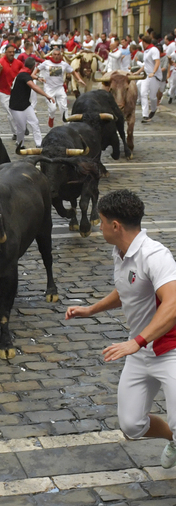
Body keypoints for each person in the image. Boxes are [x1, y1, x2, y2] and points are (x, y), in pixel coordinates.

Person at [65, 190, 176, 469]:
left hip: (170, 350)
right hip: (140, 351)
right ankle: (173, 440)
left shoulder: (155, 255)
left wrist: (137, 342)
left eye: (101, 221)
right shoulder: (122, 253)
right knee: (132, 424)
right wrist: (91, 309)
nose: (99, 226)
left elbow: (173, 303)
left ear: (115, 226)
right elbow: (127, 288)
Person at [9, 57, 54, 153]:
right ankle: (19, 144)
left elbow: (30, 76)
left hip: (25, 105)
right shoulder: (24, 75)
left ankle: (39, 144)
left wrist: (38, 78)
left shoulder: (24, 72)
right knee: (22, 128)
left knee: (35, 122)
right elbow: (34, 86)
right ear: (34, 67)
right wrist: (46, 95)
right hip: (16, 107)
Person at [36, 47, 76, 127]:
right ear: (52, 55)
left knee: (64, 107)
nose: (57, 56)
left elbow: (73, 71)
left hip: (60, 88)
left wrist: (79, 79)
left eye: (58, 54)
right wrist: (36, 77)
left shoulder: (64, 64)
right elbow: (36, 70)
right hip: (49, 89)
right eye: (55, 54)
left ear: (60, 55)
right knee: (53, 108)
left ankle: (66, 125)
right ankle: (51, 117)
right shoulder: (46, 63)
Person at [0, 43, 24, 140]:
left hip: (16, 92)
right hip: (4, 92)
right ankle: (17, 132)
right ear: (5, 52)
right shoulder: (0, 62)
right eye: (9, 52)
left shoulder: (18, 63)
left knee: (18, 113)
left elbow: (24, 74)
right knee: (11, 113)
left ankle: (18, 130)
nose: (11, 54)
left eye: (13, 52)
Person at [140, 34, 163, 123]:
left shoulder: (154, 50)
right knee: (143, 93)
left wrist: (153, 72)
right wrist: (138, 72)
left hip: (154, 76)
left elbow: (157, 62)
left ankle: (153, 109)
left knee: (152, 97)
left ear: (144, 42)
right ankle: (145, 115)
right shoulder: (146, 51)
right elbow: (145, 64)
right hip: (147, 75)